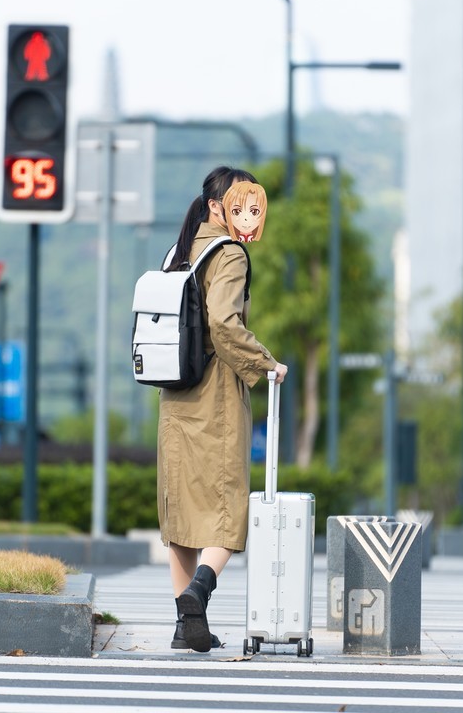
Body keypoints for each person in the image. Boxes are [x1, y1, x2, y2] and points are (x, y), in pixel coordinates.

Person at [158, 166, 288, 652]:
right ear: (217, 207)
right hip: (214, 395)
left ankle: (185, 624)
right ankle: (200, 589)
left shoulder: (180, 250)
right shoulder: (229, 253)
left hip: (174, 396)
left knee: (181, 514)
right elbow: (224, 325)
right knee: (229, 506)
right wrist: (268, 364)